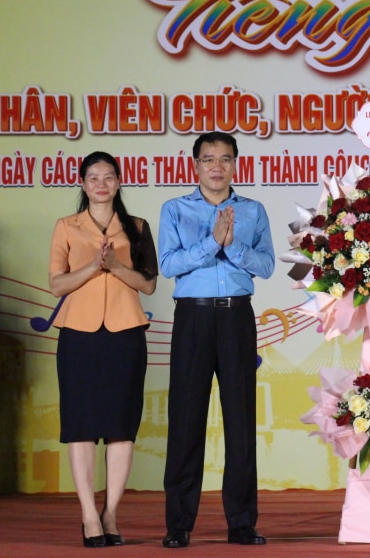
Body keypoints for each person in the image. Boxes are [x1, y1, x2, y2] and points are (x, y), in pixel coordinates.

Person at [158, 131, 275, 549]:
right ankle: (178, 524)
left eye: (225, 159)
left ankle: (242, 522)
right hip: (193, 318)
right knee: (186, 421)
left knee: (240, 422)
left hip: (236, 317)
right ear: (195, 165)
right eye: (208, 159)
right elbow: (168, 264)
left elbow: (267, 265)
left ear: (235, 164)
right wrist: (212, 243)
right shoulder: (175, 209)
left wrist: (234, 246)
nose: (216, 167)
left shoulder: (253, 210)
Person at [48, 151, 158, 548]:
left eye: (108, 176)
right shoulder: (66, 226)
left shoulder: (138, 227)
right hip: (78, 334)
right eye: (93, 177)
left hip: (126, 333)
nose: (101, 183)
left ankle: (111, 512)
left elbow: (148, 284)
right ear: (82, 183)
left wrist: (114, 266)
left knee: (120, 427)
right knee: (80, 425)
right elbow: (57, 285)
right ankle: (88, 515)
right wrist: (94, 266)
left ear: (118, 182)